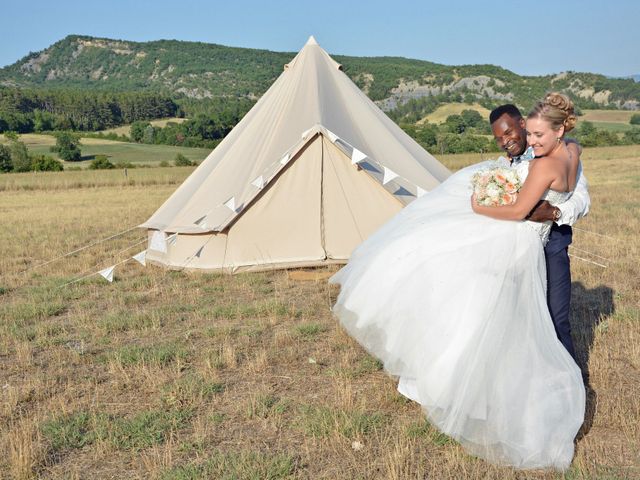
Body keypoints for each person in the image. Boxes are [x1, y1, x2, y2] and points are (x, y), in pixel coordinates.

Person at [330, 93, 585, 470]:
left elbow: (534, 206)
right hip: (522, 241)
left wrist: (483, 206)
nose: (525, 141)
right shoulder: (567, 150)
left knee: (547, 319)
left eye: (529, 133)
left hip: (536, 242)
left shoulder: (547, 162)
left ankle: (556, 394)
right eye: (521, 135)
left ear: (552, 128)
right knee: (499, 314)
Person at [489, 104, 590, 360]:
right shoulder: (502, 168)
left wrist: (554, 213)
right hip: (513, 249)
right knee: (516, 320)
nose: (505, 142)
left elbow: (581, 200)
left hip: (551, 245)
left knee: (556, 318)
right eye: (499, 138)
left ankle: (569, 388)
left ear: (523, 124)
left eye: (509, 133)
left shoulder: (563, 153)